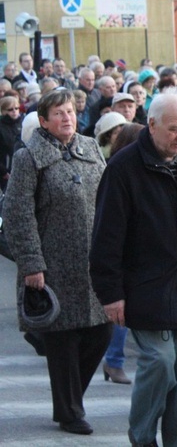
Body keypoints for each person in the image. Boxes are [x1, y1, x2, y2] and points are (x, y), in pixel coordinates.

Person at [90, 88, 177, 447]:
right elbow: (106, 238)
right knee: (160, 362)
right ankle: (142, 436)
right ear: (152, 125)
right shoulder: (123, 168)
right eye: (174, 128)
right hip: (145, 288)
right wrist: (111, 294)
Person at [5, 89, 110, 435]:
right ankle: (69, 412)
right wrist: (32, 263)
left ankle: (68, 397)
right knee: (62, 339)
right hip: (52, 265)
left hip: (92, 262)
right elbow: (18, 213)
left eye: (70, 111)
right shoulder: (29, 157)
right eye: (58, 113)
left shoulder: (91, 148)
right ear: (45, 121)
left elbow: (108, 200)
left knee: (101, 330)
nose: (67, 117)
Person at [0, 96, 22, 191]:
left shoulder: (22, 123)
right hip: (6, 172)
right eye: (10, 109)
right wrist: (3, 172)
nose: (14, 111)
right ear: (3, 111)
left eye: (16, 108)